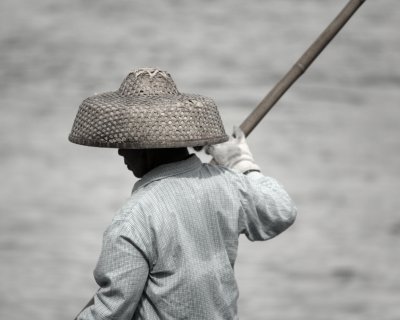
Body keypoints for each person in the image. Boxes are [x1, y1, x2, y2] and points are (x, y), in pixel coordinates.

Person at [69, 68, 297, 320]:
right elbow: (281, 209)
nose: (120, 152)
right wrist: (240, 162)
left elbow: (112, 312)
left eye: (127, 143)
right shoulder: (228, 185)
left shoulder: (133, 220)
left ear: (146, 148)